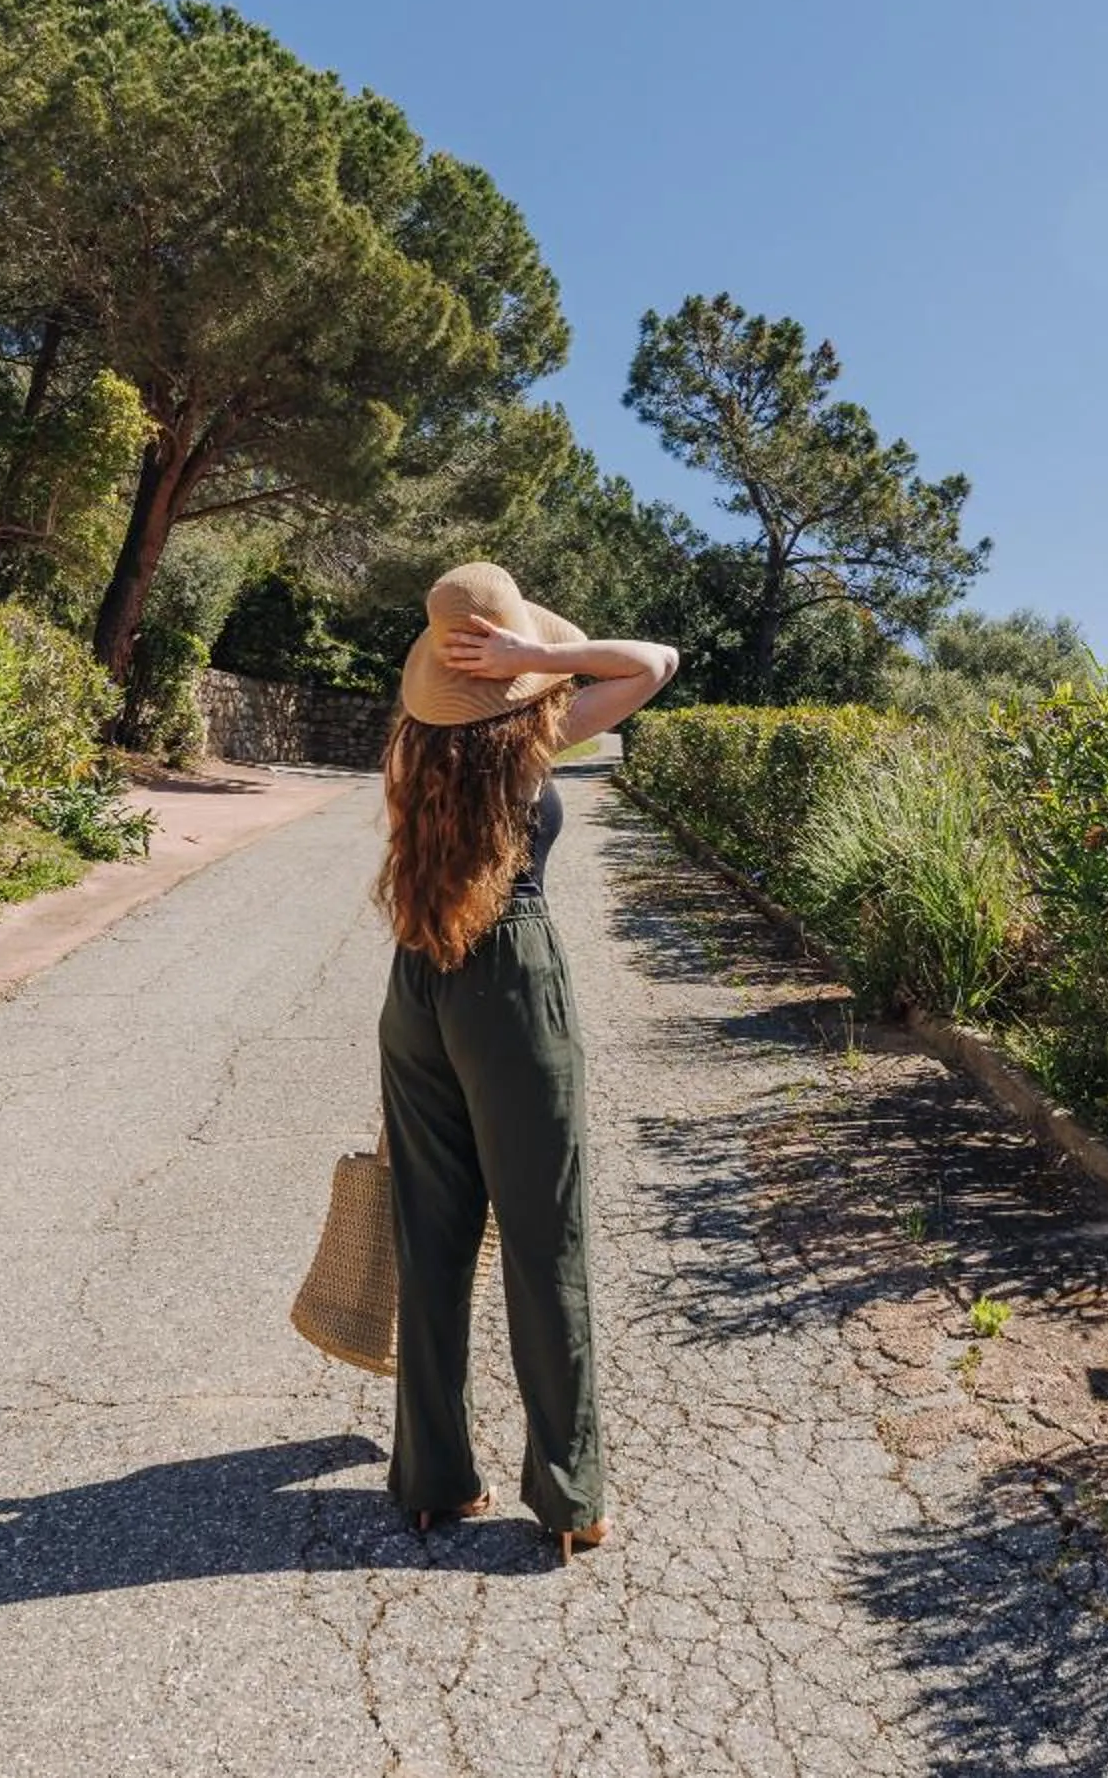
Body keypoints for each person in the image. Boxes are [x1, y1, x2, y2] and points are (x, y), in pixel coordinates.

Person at [373, 562, 678, 1561]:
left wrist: (502, 666)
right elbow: (655, 662)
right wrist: (536, 660)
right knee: (546, 1240)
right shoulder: (531, 737)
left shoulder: (414, 743)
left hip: (415, 983)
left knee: (432, 1236)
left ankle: (431, 1479)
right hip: (508, 977)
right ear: (498, 652)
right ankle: (566, 1492)